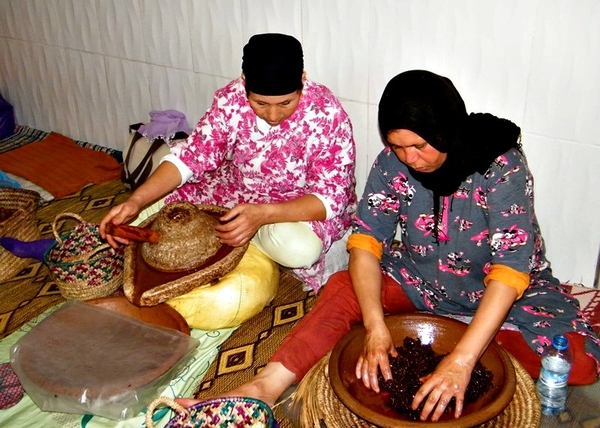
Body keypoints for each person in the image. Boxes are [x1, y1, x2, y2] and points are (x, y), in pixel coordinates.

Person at [178, 70, 600, 422]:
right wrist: (377, 327)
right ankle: (264, 385)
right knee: (344, 288)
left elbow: (511, 265)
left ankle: (469, 341)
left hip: (500, 292)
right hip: (418, 278)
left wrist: (462, 359)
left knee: (576, 366)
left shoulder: (502, 167)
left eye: (419, 145)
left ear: (446, 129)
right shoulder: (391, 164)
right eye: (398, 146)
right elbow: (365, 242)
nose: (410, 158)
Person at [100, 33, 357, 292]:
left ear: (303, 79)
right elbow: (191, 157)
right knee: (139, 219)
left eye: (286, 103)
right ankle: (240, 237)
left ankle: (238, 237)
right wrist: (136, 200)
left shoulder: (326, 114)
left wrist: (263, 215)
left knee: (300, 250)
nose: (273, 115)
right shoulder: (230, 100)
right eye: (261, 103)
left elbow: (330, 198)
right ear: (244, 82)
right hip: (237, 192)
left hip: (296, 207)